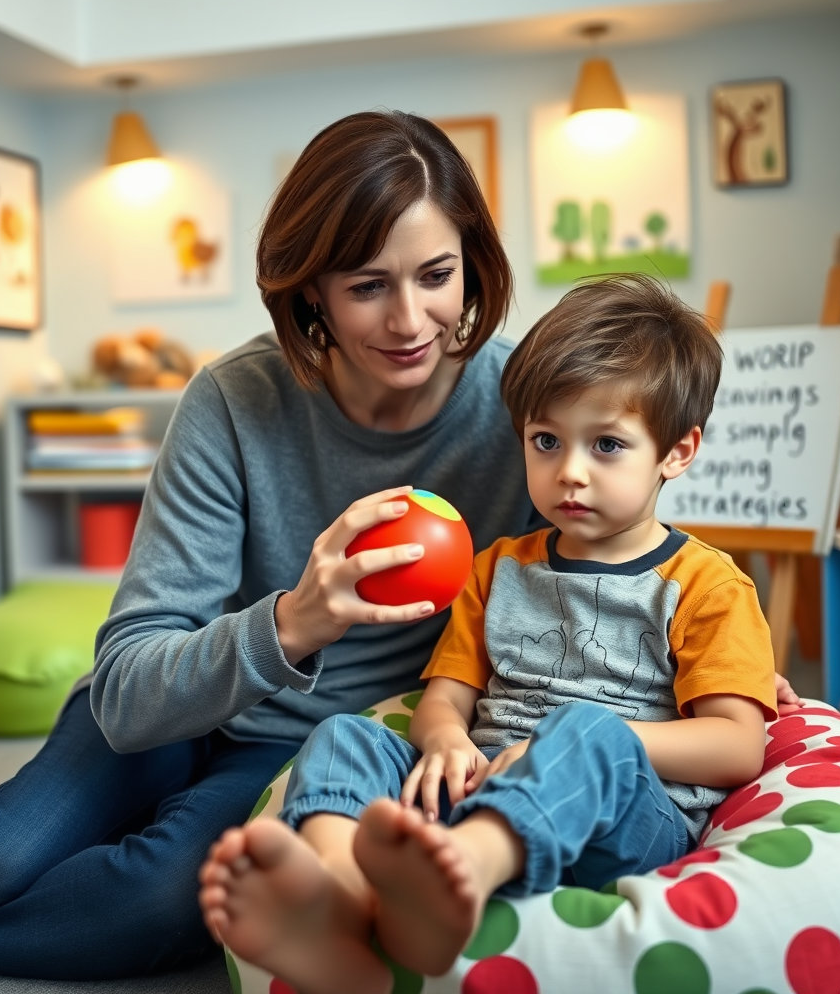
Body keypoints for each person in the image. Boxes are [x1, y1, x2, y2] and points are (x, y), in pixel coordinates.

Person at [0, 110, 546, 979]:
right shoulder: (233, 400)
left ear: (470, 266)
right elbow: (126, 691)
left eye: (436, 275)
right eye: (368, 285)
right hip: (170, 710)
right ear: (313, 293)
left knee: (157, 898)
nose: (412, 319)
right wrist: (295, 622)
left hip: (304, 749)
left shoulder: (525, 413)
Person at [199, 273, 780, 994]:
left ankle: (462, 877)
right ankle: (341, 901)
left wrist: (572, 741)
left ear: (677, 451)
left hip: (623, 820)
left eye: (606, 445)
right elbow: (445, 697)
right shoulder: (498, 568)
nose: (569, 473)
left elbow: (737, 744)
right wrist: (445, 739)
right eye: (545, 440)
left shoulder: (708, 584)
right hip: (483, 783)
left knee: (589, 730)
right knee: (346, 735)